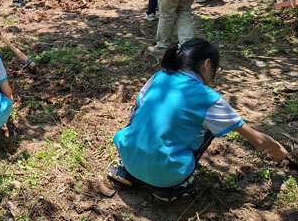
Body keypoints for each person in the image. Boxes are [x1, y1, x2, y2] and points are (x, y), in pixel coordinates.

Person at [108, 38, 287, 202]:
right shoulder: (209, 99)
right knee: (209, 127)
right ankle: (176, 186)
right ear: (207, 64)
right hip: (165, 174)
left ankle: (126, 169)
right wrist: (277, 149)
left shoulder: (160, 77)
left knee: (140, 110)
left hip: (127, 154)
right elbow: (256, 139)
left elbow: (138, 106)